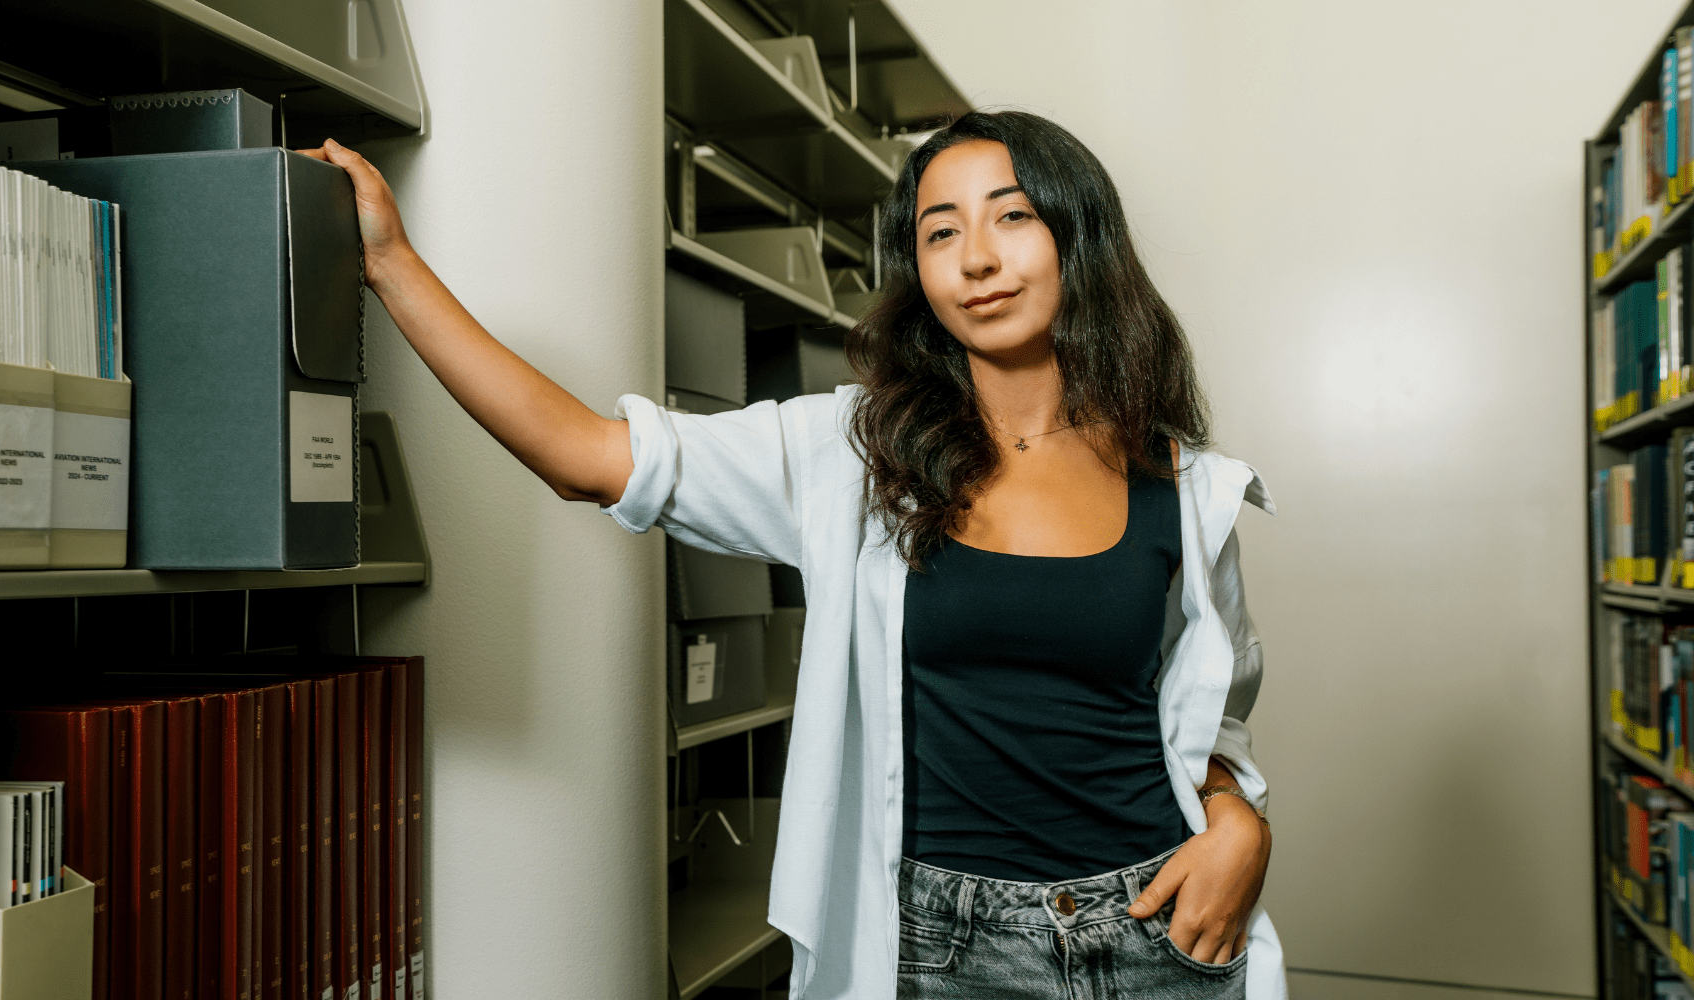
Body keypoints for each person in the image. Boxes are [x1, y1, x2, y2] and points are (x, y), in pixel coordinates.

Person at [300, 109, 1281, 1000]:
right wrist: (392, 265)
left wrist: (1237, 820)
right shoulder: (855, 455)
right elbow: (587, 457)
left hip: (1158, 924)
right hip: (939, 949)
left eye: (1010, 217)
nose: (974, 258)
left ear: (1079, 234)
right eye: (939, 231)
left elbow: (1207, 723)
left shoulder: (1186, 487)